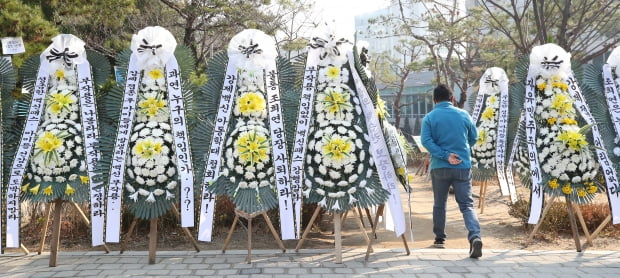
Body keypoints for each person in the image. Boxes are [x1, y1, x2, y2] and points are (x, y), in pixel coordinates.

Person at [420, 84, 483, 258]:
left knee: (440, 203)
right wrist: (460, 151)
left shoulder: (429, 118)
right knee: (467, 205)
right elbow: (474, 137)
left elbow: (426, 141)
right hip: (462, 165)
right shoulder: (464, 114)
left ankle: (439, 239)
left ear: (434, 100)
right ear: (452, 98)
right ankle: (475, 237)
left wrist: (445, 155)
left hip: (440, 166)